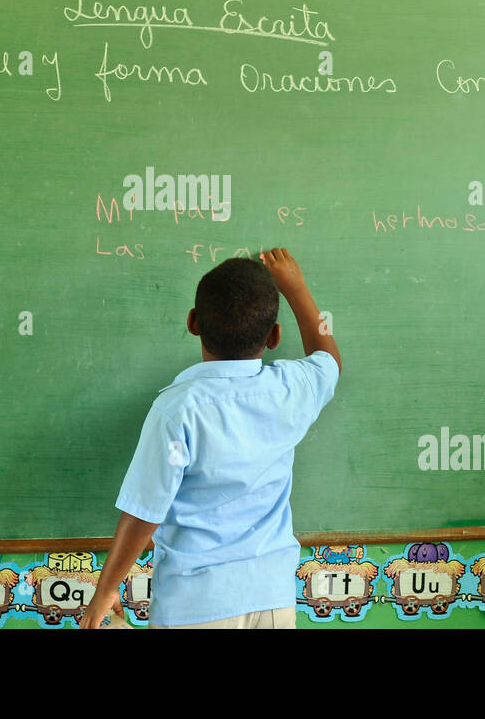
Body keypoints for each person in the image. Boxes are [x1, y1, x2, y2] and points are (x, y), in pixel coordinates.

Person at [82, 247, 340, 629]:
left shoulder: (177, 411)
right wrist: (296, 289)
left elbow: (144, 511)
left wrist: (106, 588)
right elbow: (328, 358)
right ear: (274, 337)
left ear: (193, 323)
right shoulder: (290, 390)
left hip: (196, 605)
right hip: (273, 598)